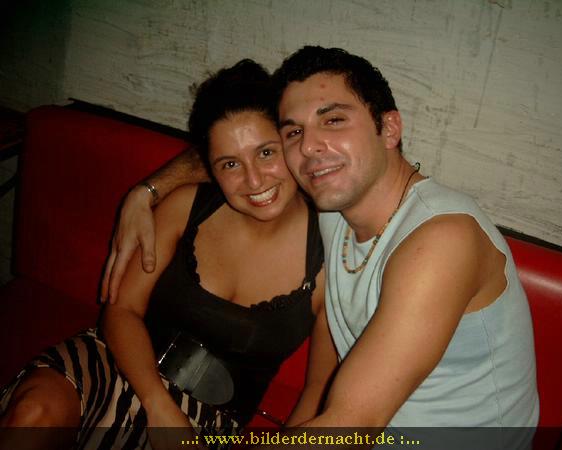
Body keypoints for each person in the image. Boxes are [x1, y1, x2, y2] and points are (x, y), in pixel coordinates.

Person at [103, 46, 539, 448]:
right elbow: (227, 151)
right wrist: (145, 192)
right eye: (294, 132)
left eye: (333, 120)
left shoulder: (442, 238)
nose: (309, 146)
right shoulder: (333, 204)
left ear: (389, 128)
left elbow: (353, 422)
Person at [0, 60, 336, 450]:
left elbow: (319, 389)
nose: (254, 179)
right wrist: (158, 405)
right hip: (115, 363)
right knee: (33, 415)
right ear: (210, 168)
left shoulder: (329, 262)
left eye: (266, 152)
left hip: (207, 418)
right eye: (230, 164)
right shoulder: (185, 207)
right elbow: (122, 310)